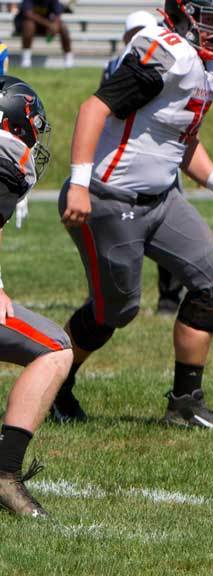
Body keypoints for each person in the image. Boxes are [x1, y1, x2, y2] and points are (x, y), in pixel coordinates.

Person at [50, 0, 213, 428]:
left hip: (161, 199)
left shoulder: (209, 68)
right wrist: (80, 185)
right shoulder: (168, 52)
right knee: (114, 311)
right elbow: (93, 108)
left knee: (211, 276)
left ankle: (185, 403)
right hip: (109, 197)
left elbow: (182, 139)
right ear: (184, 13)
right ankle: (52, 386)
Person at [0, 76, 74, 517]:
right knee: (55, 349)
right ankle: (4, 474)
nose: (33, 140)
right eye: (30, 128)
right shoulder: (6, 157)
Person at [103, 11, 186, 314]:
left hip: (160, 158)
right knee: (114, 236)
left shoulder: (174, 63)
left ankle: (169, 297)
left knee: (172, 230)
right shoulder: (116, 66)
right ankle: (107, 296)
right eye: (134, 33)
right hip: (123, 162)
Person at [16, 0, 73, 68]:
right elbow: (28, 14)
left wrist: (54, 26)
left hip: (43, 26)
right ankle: (26, 59)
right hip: (26, 25)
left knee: (63, 27)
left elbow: (57, 14)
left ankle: (68, 59)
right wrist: (48, 24)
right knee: (29, 25)